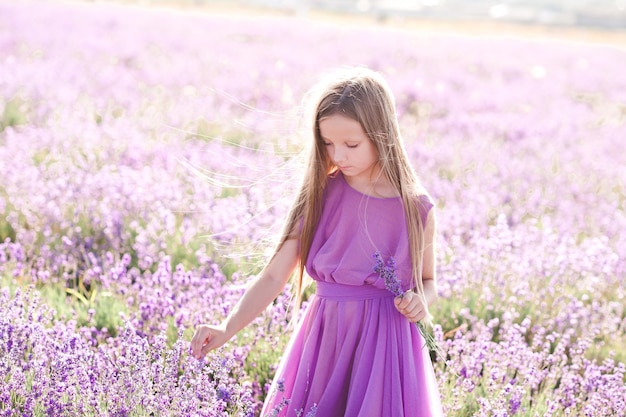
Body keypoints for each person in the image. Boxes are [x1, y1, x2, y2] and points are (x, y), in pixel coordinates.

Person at [191, 67, 443, 416]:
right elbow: (272, 276)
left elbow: (427, 282)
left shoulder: (417, 209)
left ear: (382, 134)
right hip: (326, 341)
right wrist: (227, 327)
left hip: (387, 350)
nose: (338, 155)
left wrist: (420, 302)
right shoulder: (321, 195)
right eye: (327, 143)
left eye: (351, 144)